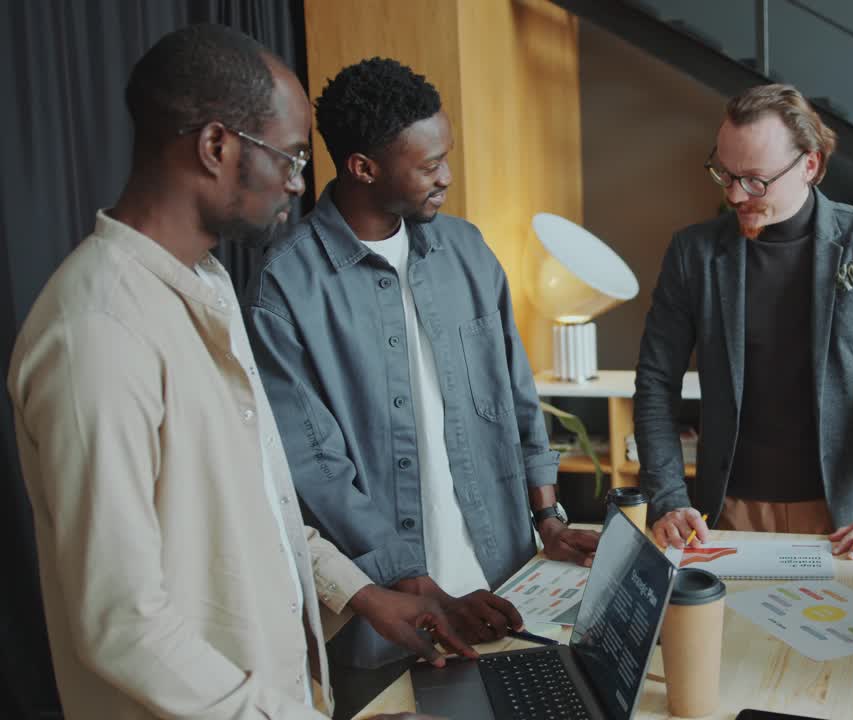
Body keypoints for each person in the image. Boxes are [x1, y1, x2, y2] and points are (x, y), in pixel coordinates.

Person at [7, 25, 477, 720]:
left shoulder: (209, 285)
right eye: (289, 158)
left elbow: (259, 507)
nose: (299, 181)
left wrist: (366, 597)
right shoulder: (95, 335)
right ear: (217, 147)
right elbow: (122, 625)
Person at [243, 57, 597, 669]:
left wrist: (548, 517)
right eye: (430, 165)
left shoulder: (468, 251)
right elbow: (315, 469)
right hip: (391, 617)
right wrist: (416, 585)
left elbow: (515, 393)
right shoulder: (286, 287)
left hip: (508, 582)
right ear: (363, 167)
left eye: (447, 157)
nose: (447, 176)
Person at [635, 84, 853, 558]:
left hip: (844, 515)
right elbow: (654, 382)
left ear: (809, 165)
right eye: (724, 174)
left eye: (753, 179)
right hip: (723, 511)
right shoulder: (695, 252)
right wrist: (668, 498)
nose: (734, 194)